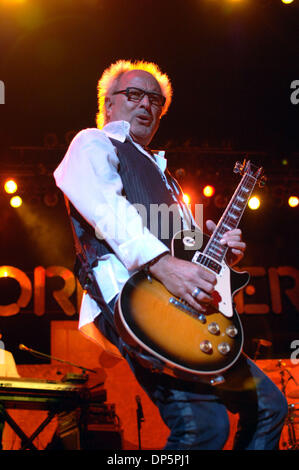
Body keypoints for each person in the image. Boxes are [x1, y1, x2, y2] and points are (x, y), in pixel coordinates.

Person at [54, 59, 288, 450]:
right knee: (204, 428)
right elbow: (104, 207)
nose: (147, 105)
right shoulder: (93, 142)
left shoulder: (168, 179)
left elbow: (187, 259)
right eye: (134, 95)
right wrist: (162, 263)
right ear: (108, 104)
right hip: (137, 302)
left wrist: (220, 258)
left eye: (156, 100)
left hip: (185, 311)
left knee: (269, 408)